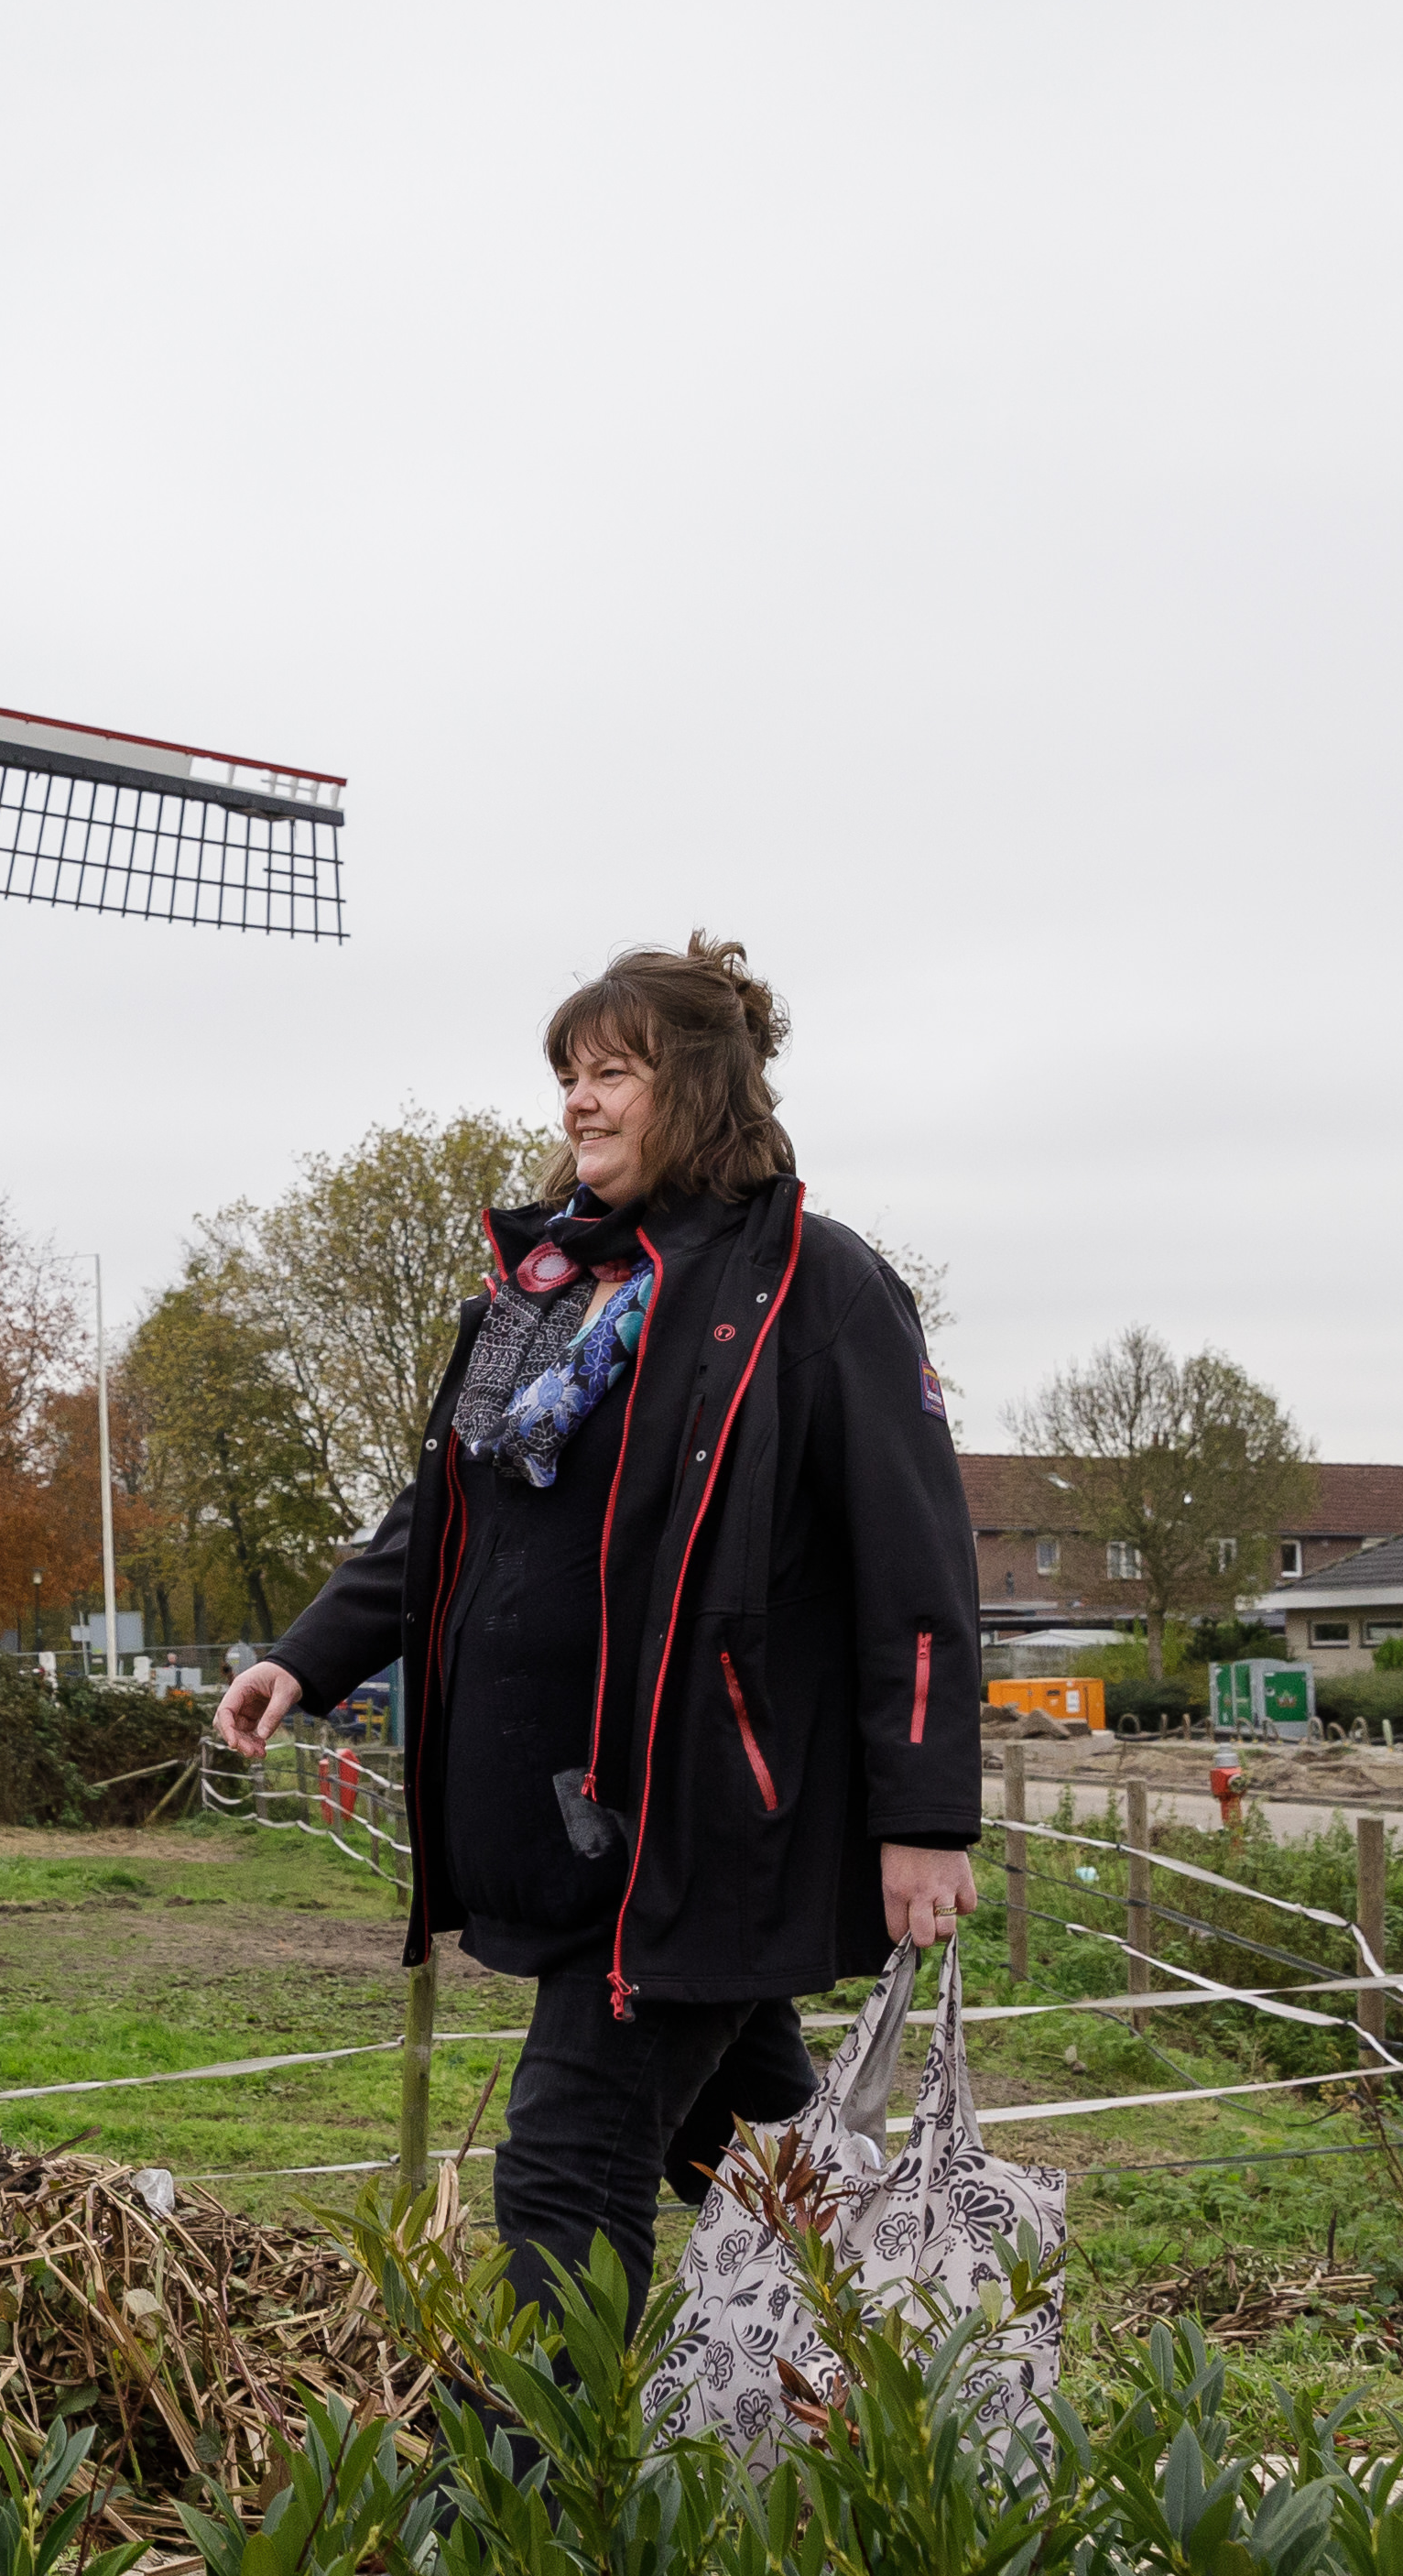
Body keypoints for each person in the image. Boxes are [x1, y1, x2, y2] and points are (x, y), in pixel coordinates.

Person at [210, 937, 984, 2335]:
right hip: (562, 1827)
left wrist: (926, 1814)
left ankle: (522, 2534)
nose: (577, 1101)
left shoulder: (818, 1287)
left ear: (700, 1087)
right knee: (767, 2171)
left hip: (700, 1829)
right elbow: (449, 1510)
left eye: (611, 1070)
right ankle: (880, 2408)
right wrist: (311, 1651)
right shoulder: (546, 1292)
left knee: (567, 2173)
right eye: (568, 1074)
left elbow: (917, 1568)